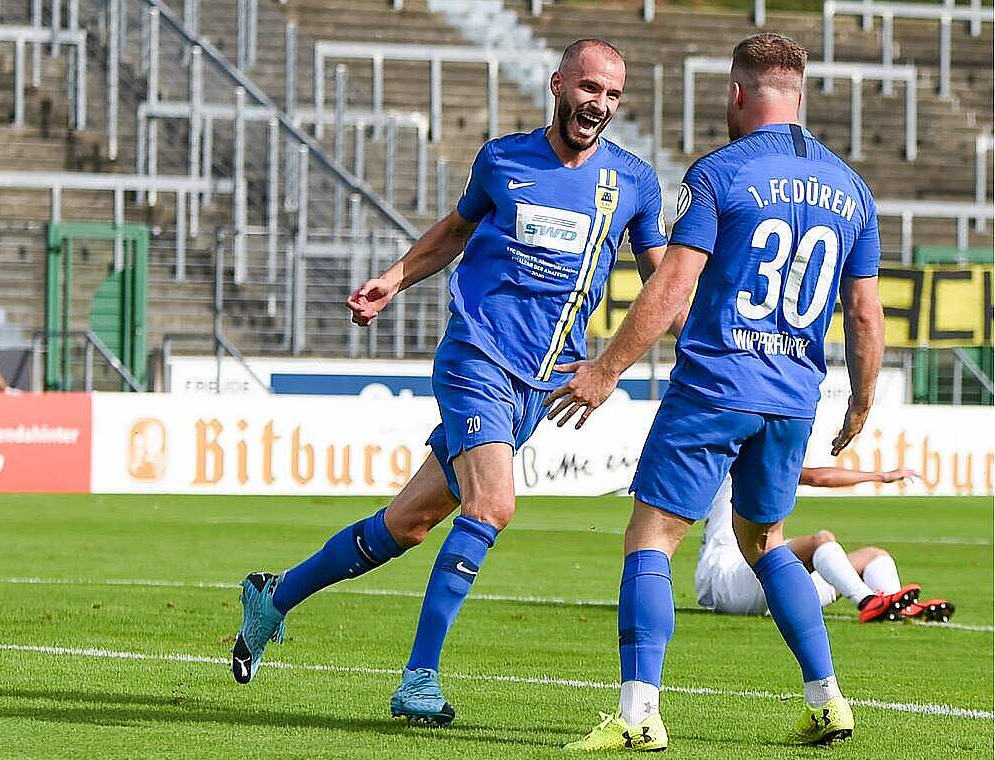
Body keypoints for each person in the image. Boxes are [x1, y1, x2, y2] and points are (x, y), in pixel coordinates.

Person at [230, 39, 670, 726]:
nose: (599, 105)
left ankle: (274, 594)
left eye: (612, 95)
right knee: (492, 505)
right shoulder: (502, 158)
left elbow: (663, 284)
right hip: (477, 357)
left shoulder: (634, 183)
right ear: (558, 84)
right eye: (589, 88)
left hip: (540, 381)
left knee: (406, 524)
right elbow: (457, 229)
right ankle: (418, 681)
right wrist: (396, 277)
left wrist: (629, 353)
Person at [546, 33, 886, 750]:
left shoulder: (719, 174)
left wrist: (605, 370)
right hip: (794, 398)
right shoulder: (853, 189)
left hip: (717, 383)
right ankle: (827, 700)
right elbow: (863, 313)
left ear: (737, 93)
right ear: (799, 95)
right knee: (765, 543)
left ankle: (638, 715)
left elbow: (673, 284)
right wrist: (860, 400)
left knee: (652, 537)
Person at [698, 468, 954, 623]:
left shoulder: (756, 457)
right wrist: (880, 476)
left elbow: (818, 477)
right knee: (821, 540)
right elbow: (818, 477)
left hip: (766, 592)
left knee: (873, 556)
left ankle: (895, 608)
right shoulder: (740, 461)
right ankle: (867, 602)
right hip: (728, 581)